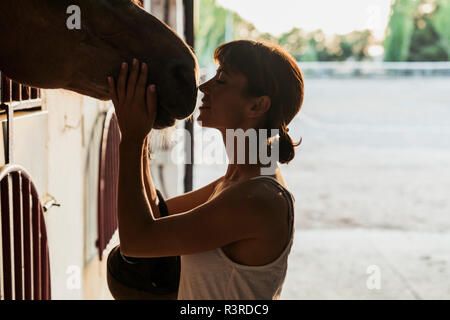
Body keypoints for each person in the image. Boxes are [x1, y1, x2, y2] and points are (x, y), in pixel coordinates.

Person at [107, 39, 304, 300]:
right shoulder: (239, 181)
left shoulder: (258, 198)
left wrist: (131, 138)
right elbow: (156, 213)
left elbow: (136, 241)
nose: (204, 87)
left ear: (257, 106)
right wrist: (139, 134)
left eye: (221, 80)